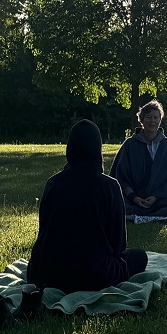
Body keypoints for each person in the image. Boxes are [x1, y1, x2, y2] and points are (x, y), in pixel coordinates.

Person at [28, 120, 148, 293]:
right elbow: (118, 245)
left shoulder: (53, 183)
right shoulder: (110, 186)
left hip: (47, 274)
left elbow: (44, 233)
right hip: (94, 275)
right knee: (138, 257)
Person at [109, 100, 167, 219]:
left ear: (160, 120)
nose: (152, 121)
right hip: (133, 200)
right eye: (148, 117)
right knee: (115, 206)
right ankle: (145, 213)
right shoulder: (130, 145)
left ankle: (145, 215)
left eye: (155, 118)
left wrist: (156, 197)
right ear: (141, 120)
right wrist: (134, 197)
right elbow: (120, 176)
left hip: (159, 200)